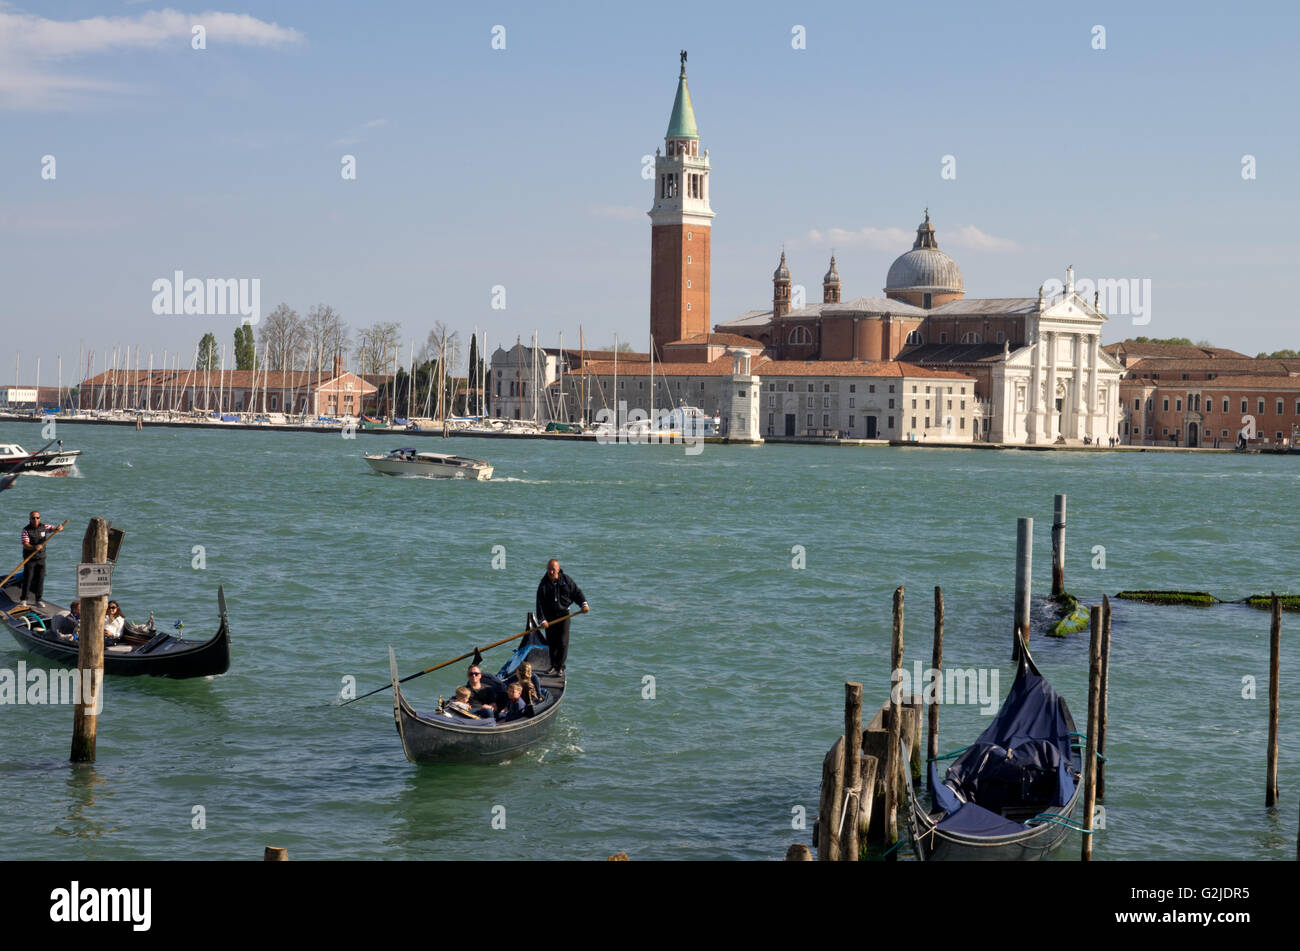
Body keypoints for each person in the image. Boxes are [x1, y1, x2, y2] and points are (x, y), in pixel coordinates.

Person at [535, 559, 589, 676]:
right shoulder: (543, 584)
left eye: (553, 569)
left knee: (562, 642)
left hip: (564, 615)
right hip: (550, 618)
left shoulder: (566, 580)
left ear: (558, 569)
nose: (551, 571)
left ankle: (560, 667)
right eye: (549, 569)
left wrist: (583, 604)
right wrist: (542, 620)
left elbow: (576, 593)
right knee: (551, 642)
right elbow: (539, 603)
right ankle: (553, 665)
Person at [19, 511, 63, 605]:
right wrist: (34, 547)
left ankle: (38, 600)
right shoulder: (26, 530)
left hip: (41, 558)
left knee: (40, 578)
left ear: (40, 518)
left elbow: (53, 529)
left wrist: (58, 528)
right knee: (28, 578)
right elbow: (25, 544)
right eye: (33, 518)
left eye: (37, 518)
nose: (36, 520)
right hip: (30, 559)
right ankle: (24, 599)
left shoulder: (44, 527)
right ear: (30, 519)